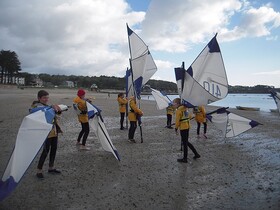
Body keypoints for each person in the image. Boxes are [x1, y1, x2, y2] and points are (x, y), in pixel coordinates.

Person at [31, 90, 62, 179]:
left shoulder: (47, 106)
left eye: (47, 98)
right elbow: (33, 110)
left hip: (54, 131)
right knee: (45, 151)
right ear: (39, 98)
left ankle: (51, 168)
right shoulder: (36, 106)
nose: (46, 99)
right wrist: (51, 107)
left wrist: (59, 110)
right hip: (45, 133)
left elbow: (54, 114)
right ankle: (39, 170)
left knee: (54, 149)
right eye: (44, 98)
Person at [173, 98, 200, 163]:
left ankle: (185, 158)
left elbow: (177, 121)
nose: (173, 104)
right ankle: (196, 154)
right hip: (187, 126)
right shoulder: (185, 108)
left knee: (185, 143)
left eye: (174, 103)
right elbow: (189, 116)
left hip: (183, 128)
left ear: (178, 104)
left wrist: (176, 128)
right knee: (186, 142)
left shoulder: (178, 110)